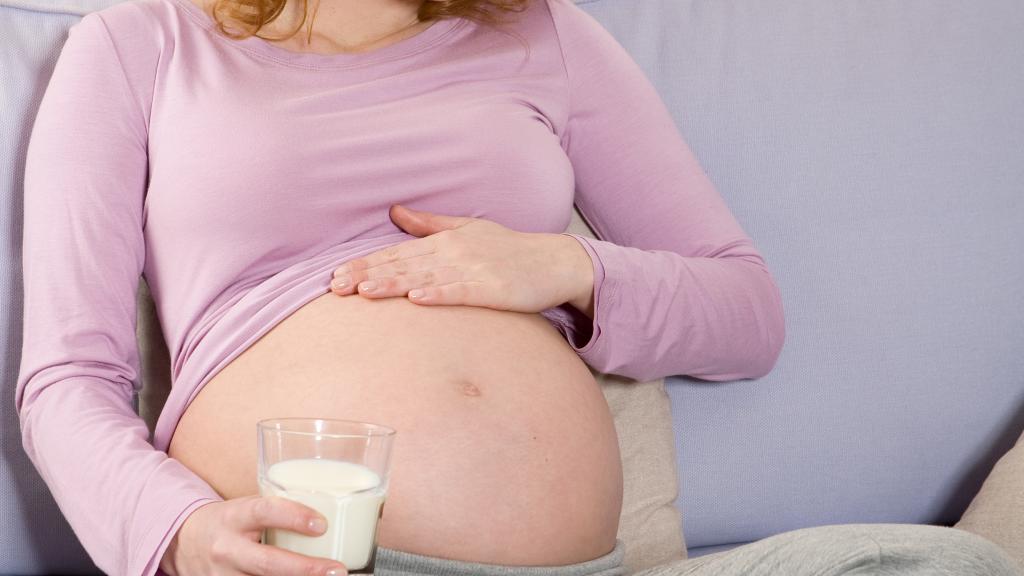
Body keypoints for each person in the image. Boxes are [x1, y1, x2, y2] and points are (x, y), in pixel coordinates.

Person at [13, 0, 1020, 574]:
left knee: (947, 567)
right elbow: (65, 381)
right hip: (304, 562)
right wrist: (174, 535)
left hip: (567, 569)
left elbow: (746, 315)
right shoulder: (138, 44)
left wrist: (567, 270)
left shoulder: (547, 35)